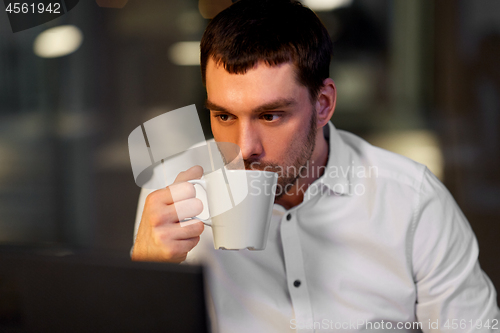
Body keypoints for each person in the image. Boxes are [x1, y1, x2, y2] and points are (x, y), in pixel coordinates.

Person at [132, 0, 500, 331]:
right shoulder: (170, 191)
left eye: (271, 115)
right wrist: (144, 273)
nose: (245, 148)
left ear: (323, 104)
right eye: (224, 116)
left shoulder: (411, 201)